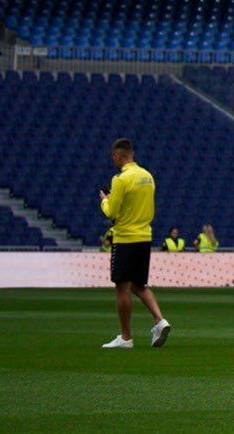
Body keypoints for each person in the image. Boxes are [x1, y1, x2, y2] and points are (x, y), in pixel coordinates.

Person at [99, 138, 171, 348]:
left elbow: (112, 212)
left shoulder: (120, 179)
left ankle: (126, 337)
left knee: (122, 287)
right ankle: (160, 320)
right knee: (139, 284)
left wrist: (105, 200)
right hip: (144, 236)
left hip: (125, 238)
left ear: (118, 156)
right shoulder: (147, 176)